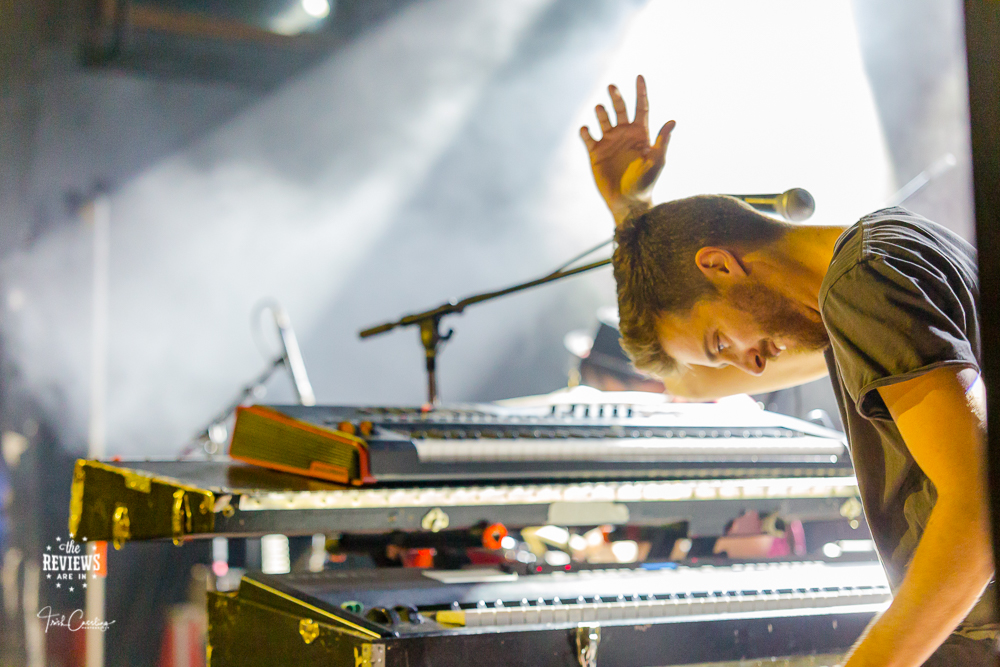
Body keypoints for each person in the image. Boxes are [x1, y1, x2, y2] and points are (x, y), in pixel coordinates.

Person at [579, 75, 996, 666]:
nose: (747, 364)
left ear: (720, 265)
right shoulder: (882, 259)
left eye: (719, 339)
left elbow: (978, 508)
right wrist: (632, 220)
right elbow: (691, 381)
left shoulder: (864, 284)